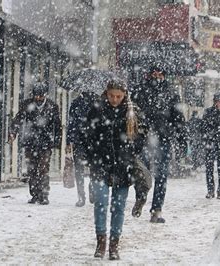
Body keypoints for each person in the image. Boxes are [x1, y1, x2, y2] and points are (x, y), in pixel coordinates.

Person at [84, 78, 148, 260]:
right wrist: (91, 154)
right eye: (111, 95)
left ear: (124, 95)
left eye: (118, 96)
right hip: (100, 163)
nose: (114, 99)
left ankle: (114, 244)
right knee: (101, 202)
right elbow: (87, 133)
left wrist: (132, 149)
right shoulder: (97, 109)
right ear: (106, 93)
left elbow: (142, 133)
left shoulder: (132, 111)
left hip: (122, 164)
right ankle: (101, 241)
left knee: (118, 205)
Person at [132, 65, 186, 223]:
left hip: (163, 139)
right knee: (143, 173)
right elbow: (133, 114)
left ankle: (156, 209)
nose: (157, 77)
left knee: (161, 175)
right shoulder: (140, 91)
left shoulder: (171, 93)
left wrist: (182, 140)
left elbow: (178, 118)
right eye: (154, 74)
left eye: (160, 74)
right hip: (144, 138)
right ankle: (141, 199)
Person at [8, 82, 62, 205]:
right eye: (36, 96)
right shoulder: (27, 104)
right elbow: (18, 118)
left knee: (43, 168)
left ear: (45, 95)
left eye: (41, 96)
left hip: (45, 142)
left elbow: (57, 125)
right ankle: (34, 194)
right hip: (30, 141)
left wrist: (57, 141)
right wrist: (13, 132)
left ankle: (44, 194)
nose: (38, 98)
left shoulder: (52, 106)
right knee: (32, 169)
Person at [66, 91, 97, 207]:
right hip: (80, 140)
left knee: (94, 168)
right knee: (79, 168)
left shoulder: (99, 103)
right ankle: (81, 196)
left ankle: (91, 189)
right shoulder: (76, 103)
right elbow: (71, 122)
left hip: (94, 141)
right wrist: (69, 140)